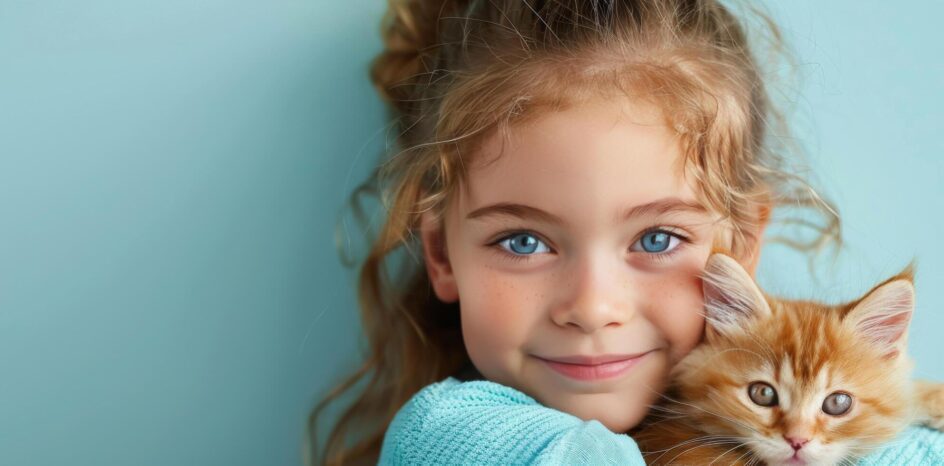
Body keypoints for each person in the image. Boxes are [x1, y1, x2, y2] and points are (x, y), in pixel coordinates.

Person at [307, 0, 943, 464]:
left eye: (657, 239)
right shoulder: (453, 438)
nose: (592, 308)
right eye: (523, 241)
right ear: (442, 254)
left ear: (741, 246)